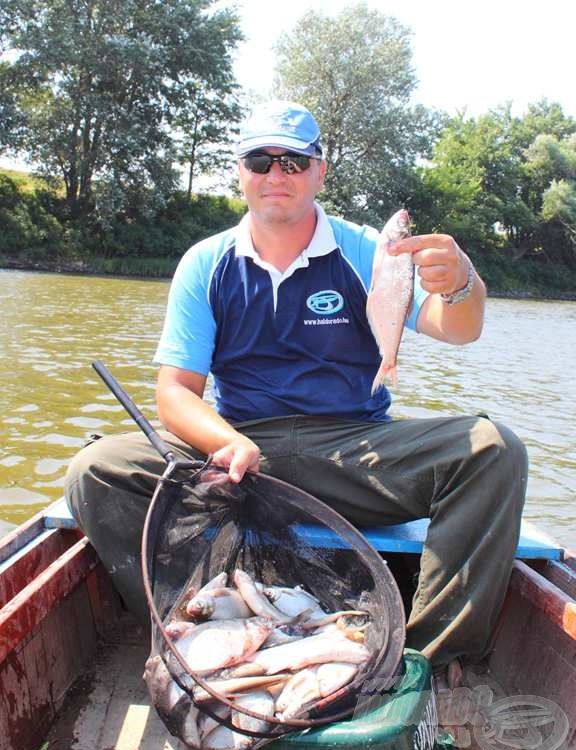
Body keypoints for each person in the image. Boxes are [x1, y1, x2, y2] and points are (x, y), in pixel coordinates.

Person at [65, 100, 528, 673]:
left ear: (319, 171)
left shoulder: (368, 251)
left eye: (293, 161)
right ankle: (190, 627)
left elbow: (457, 329)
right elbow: (176, 393)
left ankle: (424, 661)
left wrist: (461, 283)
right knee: (98, 467)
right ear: (240, 170)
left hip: (354, 448)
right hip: (241, 455)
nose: (276, 175)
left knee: (492, 449)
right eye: (261, 160)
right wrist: (224, 441)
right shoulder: (205, 264)